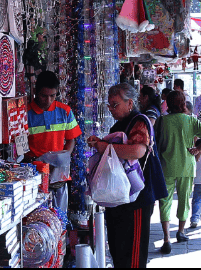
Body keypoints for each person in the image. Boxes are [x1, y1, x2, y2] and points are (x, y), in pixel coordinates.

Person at [87, 83, 166, 268]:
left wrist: (104, 147)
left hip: (137, 197)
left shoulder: (140, 121)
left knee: (133, 253)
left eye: (115, 105)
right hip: (120, 196)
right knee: (119, 249)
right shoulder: (120, 123)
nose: (111, 109)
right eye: (109, 105)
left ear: (130, 103)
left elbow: (137, 151)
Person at [27, 71, 82, 209]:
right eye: (44, 96)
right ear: (35, 92)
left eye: (52, 96)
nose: (48, 100)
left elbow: (71, 139)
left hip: (59, 178)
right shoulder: (25, 113)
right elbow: (20, 147)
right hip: (34, 176)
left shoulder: (65, 111)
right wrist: (34, 161)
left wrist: (62, 158)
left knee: (59, 221)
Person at [154, 90, 201, 253]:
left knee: (164, 201)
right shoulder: (191, 120)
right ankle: (180, 232)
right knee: (184, 200)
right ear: (182, 104)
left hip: (165, 166)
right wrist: (197, 149)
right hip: (187, 166)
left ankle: (166, 238)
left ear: (168, 104)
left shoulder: (161, 121)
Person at [189, 138, 201, 229]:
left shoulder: (196, 155)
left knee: (196, 201)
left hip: (198, 182)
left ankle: (194, 219)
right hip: (198, 182)